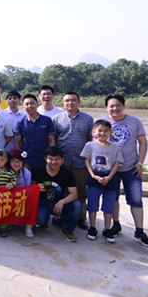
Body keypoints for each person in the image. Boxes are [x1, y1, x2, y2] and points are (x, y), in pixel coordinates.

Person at [105, 93, 148, 247]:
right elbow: (97, 145)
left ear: (123, 106)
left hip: (131, 168)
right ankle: (116, 224)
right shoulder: (102, 123)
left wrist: (140, 163)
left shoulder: (134, 121)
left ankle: (139, 231)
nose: (115, 108)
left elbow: (143, 142)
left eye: (118, 105)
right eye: (111, 106)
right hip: (111, 169)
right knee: (113, 198)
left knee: (136, 200)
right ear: (106, 108)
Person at [53, 91, 94, 230]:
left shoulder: (88, 119)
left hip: (81, 162)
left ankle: (81, 218)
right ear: (63, 103)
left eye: (73, 100)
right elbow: (54, 140)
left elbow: (91, 140)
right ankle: (62, 216)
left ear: (79, 102)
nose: (70, 103)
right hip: (62, 163)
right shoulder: (57, 119)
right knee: (61, 190)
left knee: (81, 191)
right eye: (67, 101)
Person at [81, 120, 123, 243]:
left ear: (111, 132)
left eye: (106, 131)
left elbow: (117, 163)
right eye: (99, 130)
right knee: (92, 204)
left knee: (109, 206)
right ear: (94, 131)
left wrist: (109, 177)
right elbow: (87, 160)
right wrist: (93, 175)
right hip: (94, 179)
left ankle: (107, 229)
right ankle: (92, 227)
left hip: (110, 180)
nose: (102, 133)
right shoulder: (90, 145)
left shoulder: (115, 147)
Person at [32, 146, 83, 242]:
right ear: (45, 159)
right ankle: (44, 221)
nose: (54, 162)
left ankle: (67, 228)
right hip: (42, 202)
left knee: (77, 205)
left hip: (58, 202)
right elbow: (30, 188)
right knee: (41, 220)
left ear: (62, 159)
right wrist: (35, 188)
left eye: (57, 159)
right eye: (50, 159)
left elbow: (74, 194)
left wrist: (62, 202)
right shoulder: (38, 170)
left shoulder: (67, 173)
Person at [13, 94, 55, 170]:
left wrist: (51, 156)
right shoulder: (20, 122)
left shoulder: (47, 120)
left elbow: (51, 140)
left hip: (43, 159)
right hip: (27, 159)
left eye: (32, 103)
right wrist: (19, 158)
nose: (30, 106)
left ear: (37, 104)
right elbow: (17, 142)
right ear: (23, 107)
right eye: (27, 104)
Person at [8, 148, 35, 238]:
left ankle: (28, 226)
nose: (17, 164)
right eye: (14, 161)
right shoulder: (4, 171)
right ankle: (6, 223)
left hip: (21, 198)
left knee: (31, 200)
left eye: (19, 161)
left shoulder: (27, 173)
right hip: (7, 198)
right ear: (9, 161)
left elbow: (28, 189)